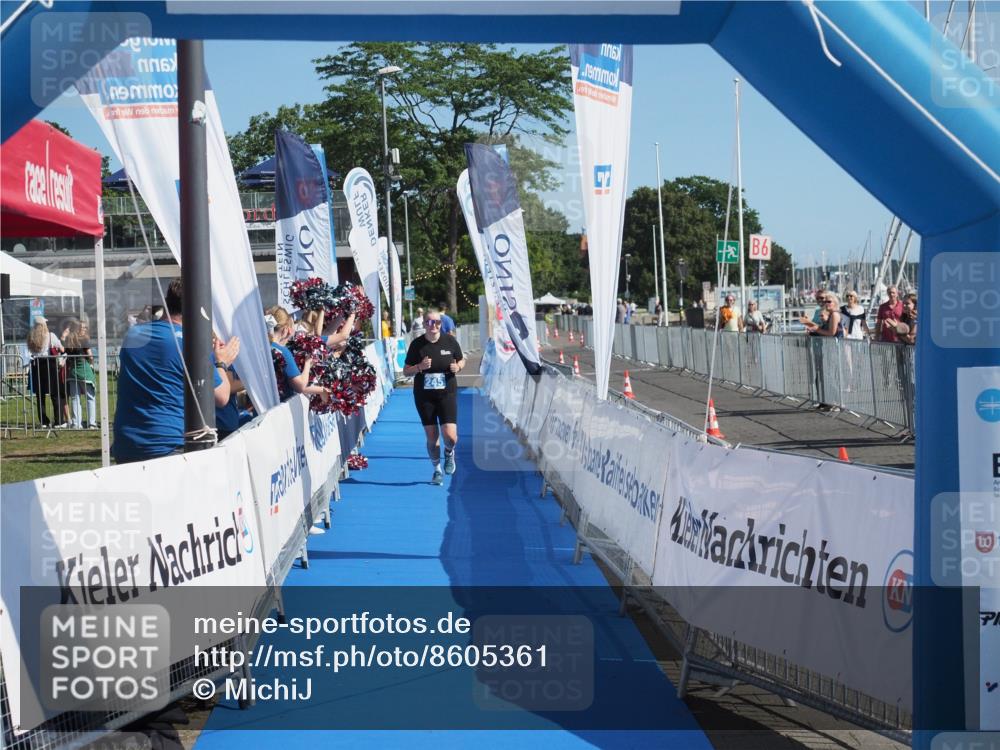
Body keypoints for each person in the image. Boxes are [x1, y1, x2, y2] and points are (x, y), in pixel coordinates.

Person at [113, 279, 238, 463]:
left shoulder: (133, 335)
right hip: (168, 445)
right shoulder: (190, 344)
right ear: (200, 308)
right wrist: (221, 363)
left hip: (127, 443)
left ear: (167, 302)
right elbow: (221, 397)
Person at [402, 309, 466, 485]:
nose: (434, 325)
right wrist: (420, 367)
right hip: (425, 396)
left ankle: (449, 452)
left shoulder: (450, 341)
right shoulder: (417, 345)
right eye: (430, 322)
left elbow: (461, 360)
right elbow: (406, 371)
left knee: (451, 436)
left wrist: (458, 367)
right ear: (424, 324)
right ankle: (437, 469)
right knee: (432, 437)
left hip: (447, 393)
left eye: (437, 322)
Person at [266, 307, 330, 402]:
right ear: (285, 330)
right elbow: (301, 386)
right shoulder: (282, 352)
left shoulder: (263, 346)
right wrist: (308, 363)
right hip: (277, 406)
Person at [26, 316, 65, 428]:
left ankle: (44, 421)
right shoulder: (50, 336)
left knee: (40, 395)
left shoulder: (30, 337)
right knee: (55, 393)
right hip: (49, 364)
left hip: (36, 365)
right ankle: (58, 421)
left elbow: (29, 352)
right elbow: (61, 349)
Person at [62, 319, 98, 429]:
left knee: (75, 398)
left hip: (72, 372)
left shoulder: (69, 340)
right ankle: (91, 423)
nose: (84, 329)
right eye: (82, 327)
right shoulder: (84, 340)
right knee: (90, 397)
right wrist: (92, 364)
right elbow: (90, 356)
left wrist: (65, 333)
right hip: (84, 370)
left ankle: (76, 423)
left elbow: (62, 345)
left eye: (85, 328)